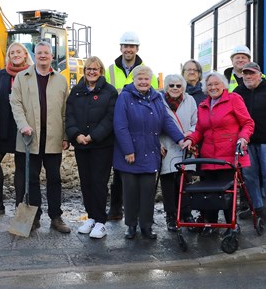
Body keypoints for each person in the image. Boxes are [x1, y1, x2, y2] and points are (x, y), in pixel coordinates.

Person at [114, 65, 185, 240]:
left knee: (148, 192)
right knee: (130, 192)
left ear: (150, 80)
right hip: (130, 153)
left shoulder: (157, 98)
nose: (143, 82)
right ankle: (131, 225)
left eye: (146, 79)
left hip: (149, 152)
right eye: (140, 79)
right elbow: (120, 125)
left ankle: (146, 225)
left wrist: (181, 139)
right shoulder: (124, 97)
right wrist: (128, 150)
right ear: (134, 80)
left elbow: (166, 121)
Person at [10, 41, 70, 233]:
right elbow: (16, 103)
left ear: (51, 56)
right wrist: (23, 125)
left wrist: (66, 135)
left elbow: (65, 111)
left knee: (54, 178)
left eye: (46, 53)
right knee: (31, 179)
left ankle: (56, 217)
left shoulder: (61, 80)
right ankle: (34, 217)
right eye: (39, 53)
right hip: (29, 139)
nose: (43, 56)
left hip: (53, 138)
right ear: (34, 56)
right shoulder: (22, 78)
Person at [183, 72, 254, 235]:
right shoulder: (203, 105)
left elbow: (248, 123)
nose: (213, 87)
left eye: (216, 84)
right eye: (209, 85)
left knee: (227, 193)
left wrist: (243, 138)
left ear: (224, 85)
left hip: (228, 155)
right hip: (208, 157)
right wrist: (190, 139)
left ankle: (231, 225)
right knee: (209, 193)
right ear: (205, 88)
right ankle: (211, 224)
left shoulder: (234, 99)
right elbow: (200, 130)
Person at [104, 31, 156, 221]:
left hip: (140, 128)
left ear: (137, 49)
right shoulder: (110, 70)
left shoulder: (146, 71)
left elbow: (155, 99)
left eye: (132, 46)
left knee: (139, 171)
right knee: (118, 170)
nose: (128, 49)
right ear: (121, 48)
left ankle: (137, 214)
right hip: (117, 126)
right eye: (125, 46)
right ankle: (116, 208)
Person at [65, 56, 118, 239]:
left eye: (95, 69)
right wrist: (76, 135)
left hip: (101, 146)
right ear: (84, 71)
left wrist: (93, 136)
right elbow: (69, 115)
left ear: (100, 71)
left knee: (98, 183)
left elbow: (110, 118)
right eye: (88, 69)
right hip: (81, 145)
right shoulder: (77, 91)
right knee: (85, 182)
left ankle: (101, 221)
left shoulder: (109, 92)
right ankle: (91, 217)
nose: (91, 72)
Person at [0, 42, 33, 214]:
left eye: (19, 52)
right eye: (12, 53)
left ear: (25, 54)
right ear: (8, 57)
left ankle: (19, 205)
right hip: (3, 126)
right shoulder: (2, 75)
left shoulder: (32, 74)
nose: (15, 55)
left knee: (20, 166)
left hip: (21, 127)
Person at [234, 62, 266, 224]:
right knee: (249, 176)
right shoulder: (238, 92)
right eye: (245, 74)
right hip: (247, 141)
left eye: (251, 73)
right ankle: (256, 207)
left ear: (259, 74)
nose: (248, 76)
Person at [158, 74, 197, 232]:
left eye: (178, 86)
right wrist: (158, 144)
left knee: (185, 181)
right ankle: (171, 215)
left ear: (183, 87)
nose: (175, 88)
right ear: (166, 86)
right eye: (171, 85)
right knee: (168, 183)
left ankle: (186, 213)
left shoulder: (190, 100)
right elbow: (155, 124)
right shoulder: (159, 100)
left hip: (185, 146)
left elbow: (196, 122)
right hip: (166, 146)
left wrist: (190, 135)